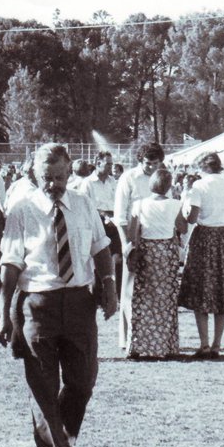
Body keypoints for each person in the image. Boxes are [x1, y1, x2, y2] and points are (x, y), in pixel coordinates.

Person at [0, 142, 117, 447]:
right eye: (47, 178)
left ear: (69, 173)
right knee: (43, 387)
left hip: (80, 302)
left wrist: (109, 285)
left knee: (83, 380)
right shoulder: (22, 210)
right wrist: (3, 312)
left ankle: (61, 435)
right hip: (38, 305)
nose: (54, 184)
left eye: (60, 177)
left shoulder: (83, 203)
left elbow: (101, 247)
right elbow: (10, 264)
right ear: (36, 175)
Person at [180, 152, 224, 359]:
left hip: (203, 239)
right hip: (223, 240)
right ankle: (217, 344)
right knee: (221, 290)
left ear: (204, 167)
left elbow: (192, 218)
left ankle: (204, 344)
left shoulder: (199, 186)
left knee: (200, 289)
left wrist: (185, 210)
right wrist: (223, 228)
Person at [124, 169, 186, 359]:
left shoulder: (139, 204)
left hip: (147, 251)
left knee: (143, 298)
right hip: (166, 252)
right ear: (169, 186)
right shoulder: (175, 204)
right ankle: (164, 346)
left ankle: (138, 344)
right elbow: (182, 228)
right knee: (166, 299)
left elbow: (132, 232)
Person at [114, 143, 166, 350]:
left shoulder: (163, 177)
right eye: (147, 163)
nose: (151, 167)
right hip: (133, 236)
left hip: (157, 238)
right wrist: (126, 244)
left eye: (155, 163)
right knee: (129, 290)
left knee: (154, 290)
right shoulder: (128, 178)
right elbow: (120, 215)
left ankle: (151, 336)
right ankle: (127, 338)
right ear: (140, 161)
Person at [80, 152, 122, 293]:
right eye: (108, 163)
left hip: (113, 223)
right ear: (98, 163)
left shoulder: (113, 182)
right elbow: (85, 207)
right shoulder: (87, 183)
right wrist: (103, 216)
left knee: (117, 258)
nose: (111, 166)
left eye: (111, 163)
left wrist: (114, 218)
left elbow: (118, 204)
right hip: (97, 224)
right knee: (99, 259)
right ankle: (98, 294)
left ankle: (115, 293)